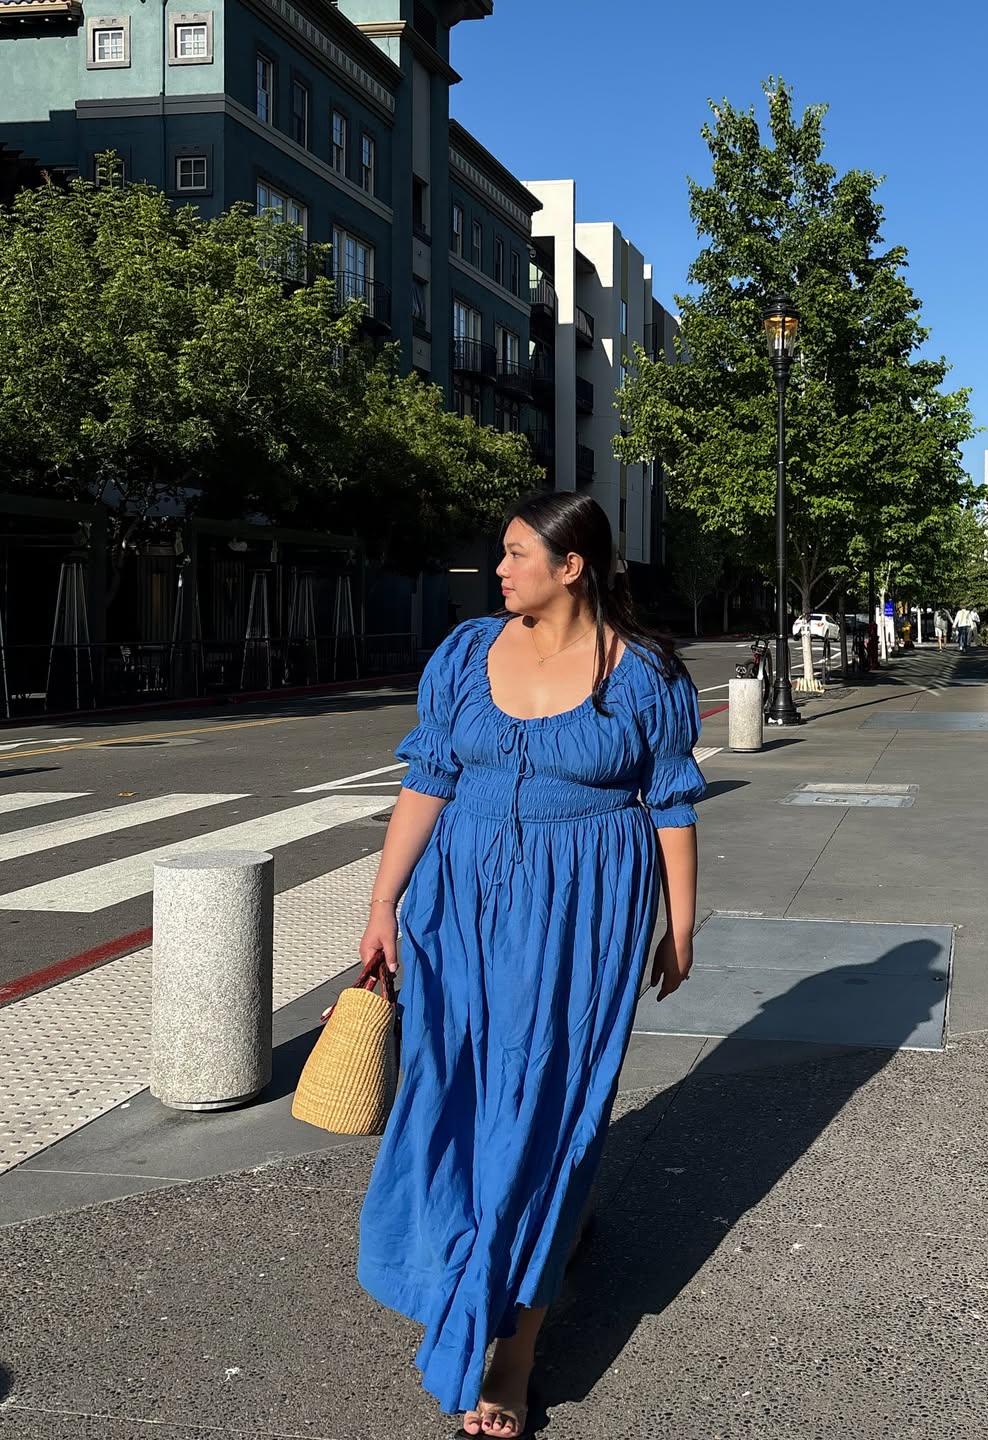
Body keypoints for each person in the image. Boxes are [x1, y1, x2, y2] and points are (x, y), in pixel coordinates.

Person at [355, 491, 706, 1436]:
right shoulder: (468, 652)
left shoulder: (643, 675)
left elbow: (670, 802)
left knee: (549, 1107)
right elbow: (428, 776)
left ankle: (510, 1353)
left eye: (514, 556)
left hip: (582, 913)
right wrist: (384, 904)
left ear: (571, 566)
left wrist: (680, 925)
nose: (498, 571)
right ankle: (470, 1261)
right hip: (457, 905)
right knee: (455, 1093)